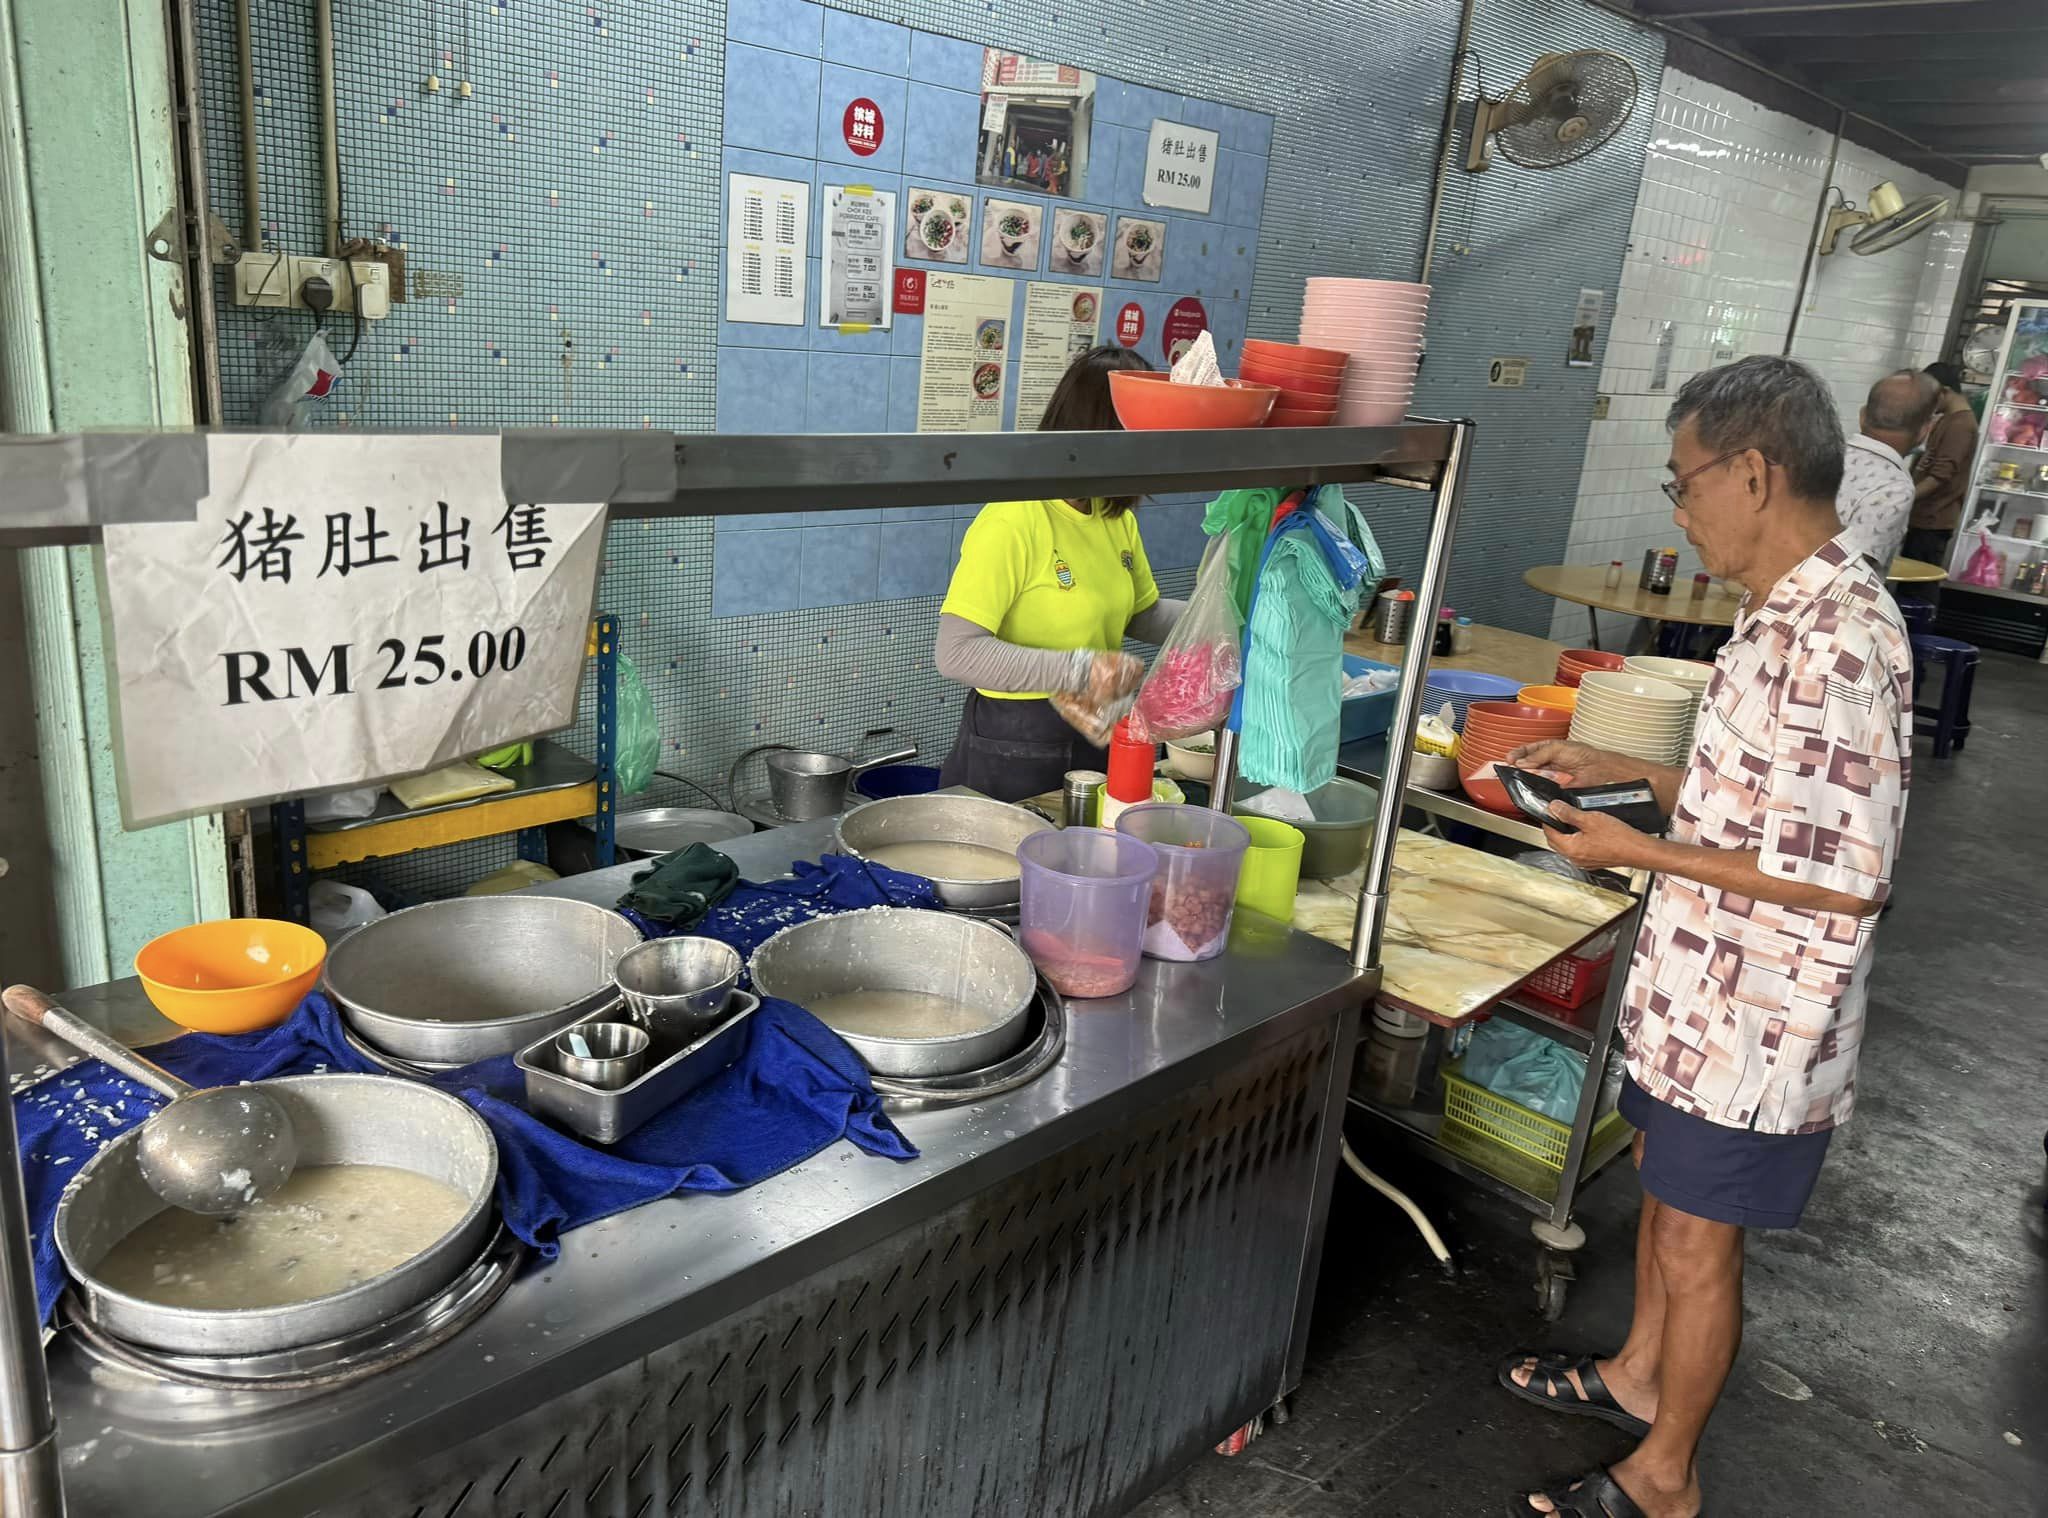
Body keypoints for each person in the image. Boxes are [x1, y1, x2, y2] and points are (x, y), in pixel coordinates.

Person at [1500, 356, 1912, 1518]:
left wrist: (1628, 849)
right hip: (1698, 995)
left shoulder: (1839, 638)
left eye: (1682, 484)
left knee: (1697, 1246)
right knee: (1660, 1199)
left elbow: (1843, 879)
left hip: (1760, 1018)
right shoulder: (1779, 614)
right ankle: (1635, 1376)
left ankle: (1665, 1477)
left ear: (1751, 470)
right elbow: (1761, 801)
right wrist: (1624, 771)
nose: (1675, 512)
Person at [933, 346, 1183, 802]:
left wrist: (1223, 619)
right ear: (1099, 434)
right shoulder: (1014, 518)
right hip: (1013, 740)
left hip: (1094, 725)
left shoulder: (1114, 515)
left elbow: (1139, 613)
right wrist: (1079, 670)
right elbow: (956, 654)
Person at [1838, 368, 1935, 572]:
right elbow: (1853, 569)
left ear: (1863, 416)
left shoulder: (1822, 455)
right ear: (1924, 430)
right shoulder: (1895, 488)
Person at [1905, 361, 1978, 571]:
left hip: (1933, 519)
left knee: (1919, 584)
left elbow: (1940, 475)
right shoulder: (1947, 419)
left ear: (1944, 392)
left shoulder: (1961, 425)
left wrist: (1904, 499)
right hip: (1923, 516)